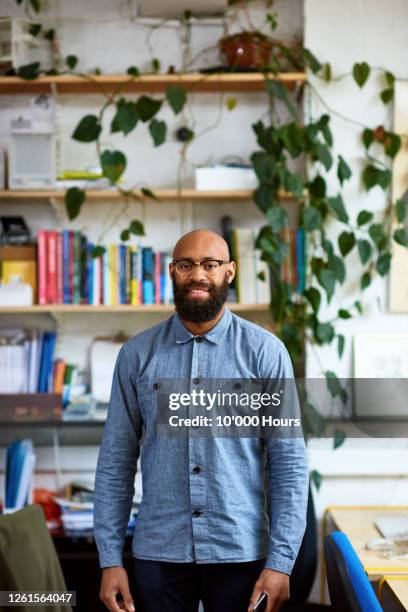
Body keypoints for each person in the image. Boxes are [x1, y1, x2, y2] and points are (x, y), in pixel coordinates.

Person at [94, 229, 309, 612]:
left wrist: (280, 563)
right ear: (172, 272)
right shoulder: (136, 355)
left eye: (210, 264)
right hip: (159, 553)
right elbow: (115, 462)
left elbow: (289, 464)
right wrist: (110, 560)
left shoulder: (265, 352)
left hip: (240, 552)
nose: (198, 275)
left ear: (229, 272)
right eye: (186, 265)